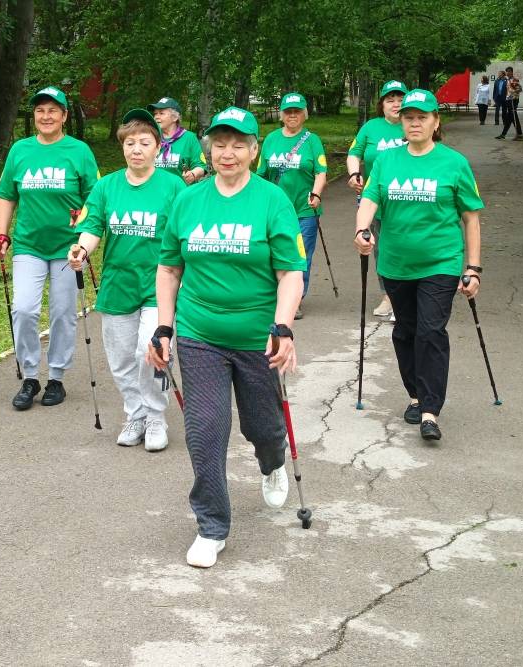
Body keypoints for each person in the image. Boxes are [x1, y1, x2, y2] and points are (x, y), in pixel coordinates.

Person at [147, 106, 306, 568]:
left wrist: (283, 328)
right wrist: (164, 327)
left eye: (239, 144)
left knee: (261, 425)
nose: (228, 152)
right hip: (200, 335)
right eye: (220, 143)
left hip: (258, 336)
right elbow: (169, 268)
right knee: (206, 429)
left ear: (255, 150)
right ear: (208, 149)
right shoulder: (187, 201)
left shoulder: (272, 201)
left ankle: (273, 461)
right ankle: (211, 525)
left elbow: (290, 273)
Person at [354, 89, 484, 442]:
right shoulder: (387, 161)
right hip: (395, 264)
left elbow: (470, 219)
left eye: (422, 117)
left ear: (435, 122)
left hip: (440, 262)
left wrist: (473, 268)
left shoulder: (453, 163)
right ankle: (414, 394)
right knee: (405, 332)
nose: (414, 122)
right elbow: (370, 199)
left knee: (430, 331)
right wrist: (362, 229)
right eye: (408, 117)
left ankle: (430, 409)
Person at [67, 109, 185, 451]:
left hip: (157, 288)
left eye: (144, 142)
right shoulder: (106, 187)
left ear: (158, 148)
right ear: (122, 147)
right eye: (130, 143)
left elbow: (183, 232)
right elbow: (90, 228)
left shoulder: (173, 186)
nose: (136, 149)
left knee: (149, 351)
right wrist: (81, 250)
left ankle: (156, 417)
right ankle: (135, 414)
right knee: (120, 359)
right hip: (118, 285)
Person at [0, 85, 100, 410]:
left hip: (68, 249)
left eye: (53, 110)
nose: (46, 116)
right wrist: (2, 234)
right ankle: (30, 376)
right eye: (40, 110)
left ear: (65, 116)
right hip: (29, 244)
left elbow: (95, 199)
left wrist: (82, 222)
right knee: (24, 309)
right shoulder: (20, 151)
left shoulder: (79, 151)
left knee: (62, 312)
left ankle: (56, 377)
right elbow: (7, 194)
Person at [256, 92, 326, 313]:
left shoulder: (312, 141)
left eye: (297, 111)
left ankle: (294, 300)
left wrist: (316, 194)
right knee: (273, 252)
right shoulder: (271, 140)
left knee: (301, 254)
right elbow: (261, 174)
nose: (292, 115)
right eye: (288, 111)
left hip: (305, 208)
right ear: (282, 114)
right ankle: (276, 294)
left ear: (305, 114)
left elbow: (321, 172)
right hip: (275, 210)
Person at [346, 80, 409, 321]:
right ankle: (388, 296)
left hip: (407, 201)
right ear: (381, 104)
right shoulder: (371, 127)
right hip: (376, 203)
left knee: (403, 249)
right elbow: (354, 153)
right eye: (390, 100)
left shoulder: (412, 126)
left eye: (399, 99)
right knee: (381, 250)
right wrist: (354, 173)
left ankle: (403, 299)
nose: (395, 104)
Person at [148, 97, 207, 185]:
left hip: (181, 194)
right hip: (157, 192)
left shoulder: (189, 138)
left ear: (175, 117)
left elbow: (201, 166)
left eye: (161, 113)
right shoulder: (151, 137)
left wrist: (193, 174)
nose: (156, 117)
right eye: (155, 113)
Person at [497, 75, 523, 141]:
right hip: (508, 99)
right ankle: (503, 134)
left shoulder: (515, 79)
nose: (507, 73)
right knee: (509, 118)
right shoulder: (506, 80)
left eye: (509, 71)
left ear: (511, 72)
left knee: (514, 117)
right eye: (507, 72)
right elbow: (507, 90)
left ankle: (519, 134)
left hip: (513, 100)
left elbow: (519, 89)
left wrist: (513, 92)